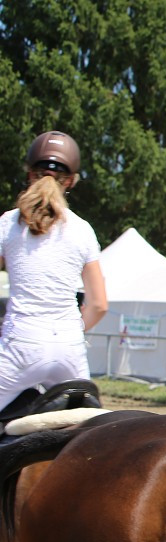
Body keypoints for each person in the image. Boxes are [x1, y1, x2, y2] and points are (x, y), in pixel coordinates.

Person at [0, 131, 107, 413]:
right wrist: (69, 330)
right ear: (70, 181)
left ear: (29, 174)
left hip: (20, 346)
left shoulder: (8, 223)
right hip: (69, 349)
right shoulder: (83, 229)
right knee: (88, 433)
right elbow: (98, 305)